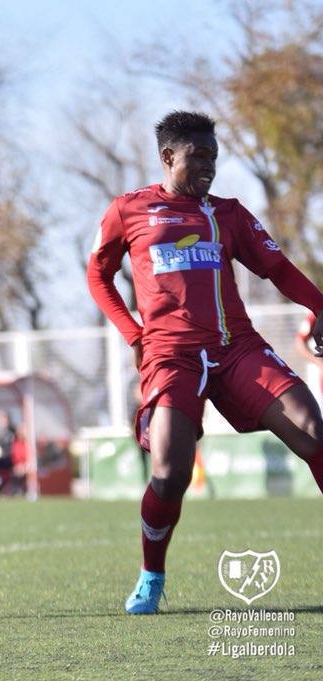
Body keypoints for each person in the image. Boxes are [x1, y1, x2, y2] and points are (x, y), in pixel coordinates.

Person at [87, 111, 323, 615]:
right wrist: (133, 335)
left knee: (313, 430)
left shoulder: (228, 214)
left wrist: (319, 305)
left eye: (214, 157)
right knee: (171, 472)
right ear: (168, 157)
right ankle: (152, 575)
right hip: (171, 354)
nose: (209, 167)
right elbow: (98, 273)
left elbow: (276, 267)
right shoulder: (129, 211)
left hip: (235, 347)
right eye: (198, 157)